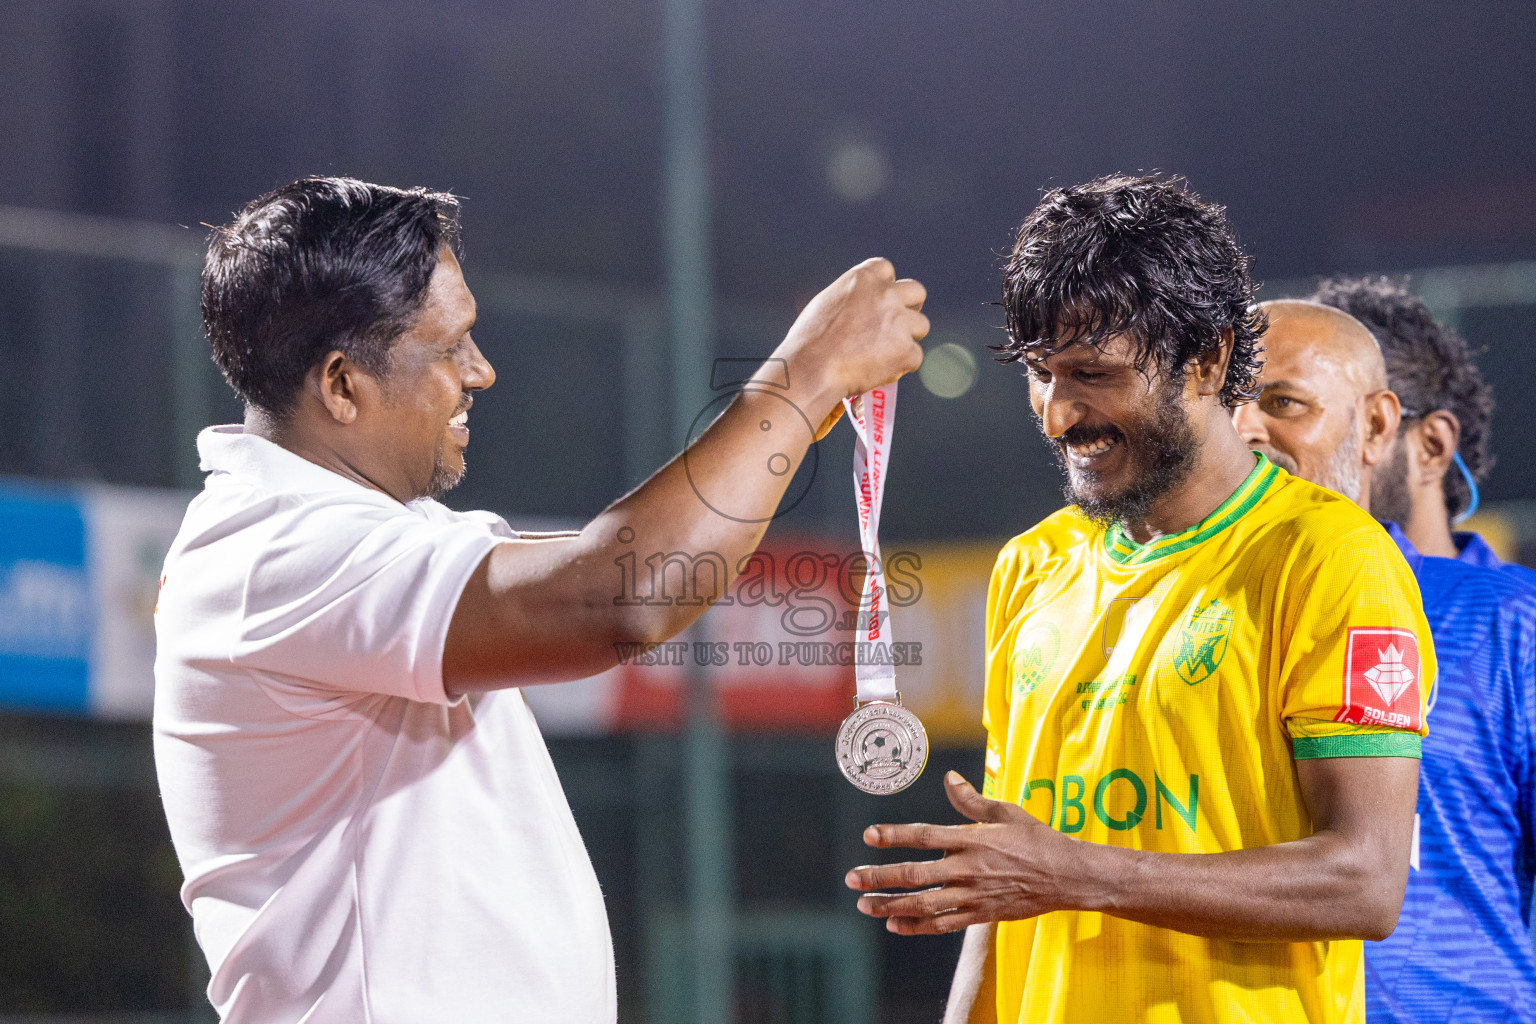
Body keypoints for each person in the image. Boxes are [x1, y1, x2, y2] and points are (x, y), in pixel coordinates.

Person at [153, 176, 928, 1024]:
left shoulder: (346, 534)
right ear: (341, 385)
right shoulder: (277, 549)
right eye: (448, 348)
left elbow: (636, 561)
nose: (480, 370)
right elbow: (625, 592)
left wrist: (785, 425)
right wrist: (804, 376)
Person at [842, 174, 1434, 1024]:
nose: (1057, 414)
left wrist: (1069, 874)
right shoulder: (1032, 565)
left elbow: (1366, 882)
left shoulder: (1330, 558)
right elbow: (1011, 878)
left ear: (1209, 359)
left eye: (1091, 374)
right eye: (1041, 375)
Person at [1234, 298, 1536, 1023]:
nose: (1247, 428)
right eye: (1232, 402)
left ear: (1382, 427)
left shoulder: (1504, 622)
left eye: (1288, 400)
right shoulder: (1197, 603)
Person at [1310, 276, 1536, 586]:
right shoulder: (1256, 608)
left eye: (1291, 405)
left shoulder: (1516, 620)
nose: (1254, 434)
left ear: (1432, 446)